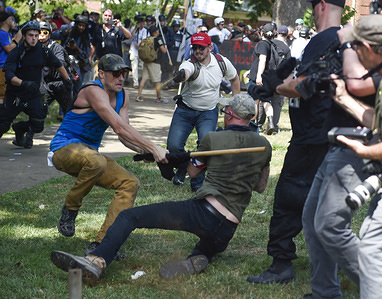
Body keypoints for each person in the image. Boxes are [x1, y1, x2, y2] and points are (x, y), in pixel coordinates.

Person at [50, 93, 272, 283]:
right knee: (208, 245)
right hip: (228, 229)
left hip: (204, 214)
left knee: (130, 216)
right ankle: (199, 257)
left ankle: (96, 261)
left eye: (226, 111)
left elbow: (193, 173)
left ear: (231, 114)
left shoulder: (212, 139)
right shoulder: (264, 145)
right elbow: (261, 187)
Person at [247, 0, 345, 286]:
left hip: (311, 136)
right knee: (322, 204)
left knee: (289, 197)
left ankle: (281, 264)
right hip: (327, 134)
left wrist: (271, 87)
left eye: (313, 7)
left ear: (323, 5)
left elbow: (301, 86)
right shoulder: (342, 41)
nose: (311, 13)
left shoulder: (324, 39)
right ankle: (329, 266)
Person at [49, 53, 168, 256]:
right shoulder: (94, 90)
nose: (121, 78)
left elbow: (124, 135)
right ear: (101, 74)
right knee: (96, 161)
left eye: (124, 73)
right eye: (116, 73)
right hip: (64, 149)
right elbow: (119, 128)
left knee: (129, 183)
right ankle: (70, 209)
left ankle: (104, 244)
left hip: (90, 155)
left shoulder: (123, 96)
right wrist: (154, 146)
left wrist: (146, 151)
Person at [332, 14, 382, 299]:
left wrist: (364, 150)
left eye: (356, 48)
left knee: (374, 252)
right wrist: (343, 98)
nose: (355, 54)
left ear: (368, 47)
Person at [167, 32, 240, 192]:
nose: (198, 51)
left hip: (208, 112)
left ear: (210, 47)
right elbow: (186, 71)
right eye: (195, 48)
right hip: (185, 110)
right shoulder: (189, 63)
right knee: (173, 146)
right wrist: (180, 76)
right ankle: (184, 167)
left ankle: (197, 184)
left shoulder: (221, 62)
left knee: (204, 147)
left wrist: (235, 103)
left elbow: (234, 79)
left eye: (201, 48)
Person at [0, 21, 71, 147]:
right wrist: (23, 83)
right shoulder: (16, 52)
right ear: (24, 36)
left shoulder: (44, 51)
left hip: (33, 94)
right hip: (15, 94)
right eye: (30, 35)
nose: (34, 39)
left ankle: (19, 128)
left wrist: (67, 80)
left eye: (36, 35)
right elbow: (9, 76)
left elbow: (58, 64)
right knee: (3, 125)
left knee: (38, 125)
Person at [246, 22, 289, 135]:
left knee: (254, 102)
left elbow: (263, 60)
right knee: (266, 101)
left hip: (258, 78)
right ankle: (270, 123)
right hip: (266, 77)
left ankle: (251, 126)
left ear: (261, 33)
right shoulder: (272, 45)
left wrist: (258, 75)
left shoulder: (262, 44)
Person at [39, 21, 75, 118]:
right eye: (39, 32)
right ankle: (23, 129)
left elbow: (60, 63)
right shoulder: (34, 47)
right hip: (45, 85)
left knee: (69, 114)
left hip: (61, 84)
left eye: (45, 32)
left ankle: (73, 132)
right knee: (39, 114)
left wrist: (48, 56)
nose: (42, 35)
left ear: (49, 35)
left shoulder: (56, 47)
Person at [136, 25, 168, 103]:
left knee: (144, 78)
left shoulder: (147, 40)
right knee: (157, 81)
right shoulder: (158, 40)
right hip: (155, 62)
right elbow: (164, 51)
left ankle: (139, 96)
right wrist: (165, 46)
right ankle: (159, 97)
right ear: (156, 32)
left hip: (146, 62)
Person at [65, 15, 92, 88]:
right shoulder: (70, 33)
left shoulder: (87, 37)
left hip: (80, 65)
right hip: (68, 64)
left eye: (83, 26)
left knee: (78, 88)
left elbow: (86, 55)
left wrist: (76, 48)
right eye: (80, 25)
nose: (81, 28)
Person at [0, 11, 21, 102]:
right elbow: (9, 49)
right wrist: (17, 38)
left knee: (7, 94)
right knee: (2, 94)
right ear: (7, 21)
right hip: (1, 68)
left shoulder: (7, 34)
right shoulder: (1, 34)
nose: (14, 22)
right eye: (12, 19)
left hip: (7, 67)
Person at [128, 15, 148, 89]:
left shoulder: (145, 31)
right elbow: (130, 36)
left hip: (141, 51)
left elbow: (145, 40)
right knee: (134, 67)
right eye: (140, 22)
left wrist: (140, 45)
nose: (142, 24)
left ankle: (140, 80)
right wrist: (136, 28)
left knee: (141, 67)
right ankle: (135, 82)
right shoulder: (134, 29)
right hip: (134, 50)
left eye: (143, 23)